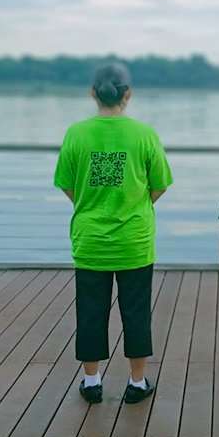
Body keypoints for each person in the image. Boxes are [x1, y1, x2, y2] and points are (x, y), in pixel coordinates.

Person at [54, 63, 173, 405]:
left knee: (91, 311)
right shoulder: (144, 134)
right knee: (136, 312)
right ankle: (137, 383)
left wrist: (92, 204)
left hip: (90, 239)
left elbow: (66, 184)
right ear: (128, 94)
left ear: (93, 93)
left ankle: (92, 382)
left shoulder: (76, 133)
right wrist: (133, 204)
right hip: (134, 240)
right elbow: (160, 185)